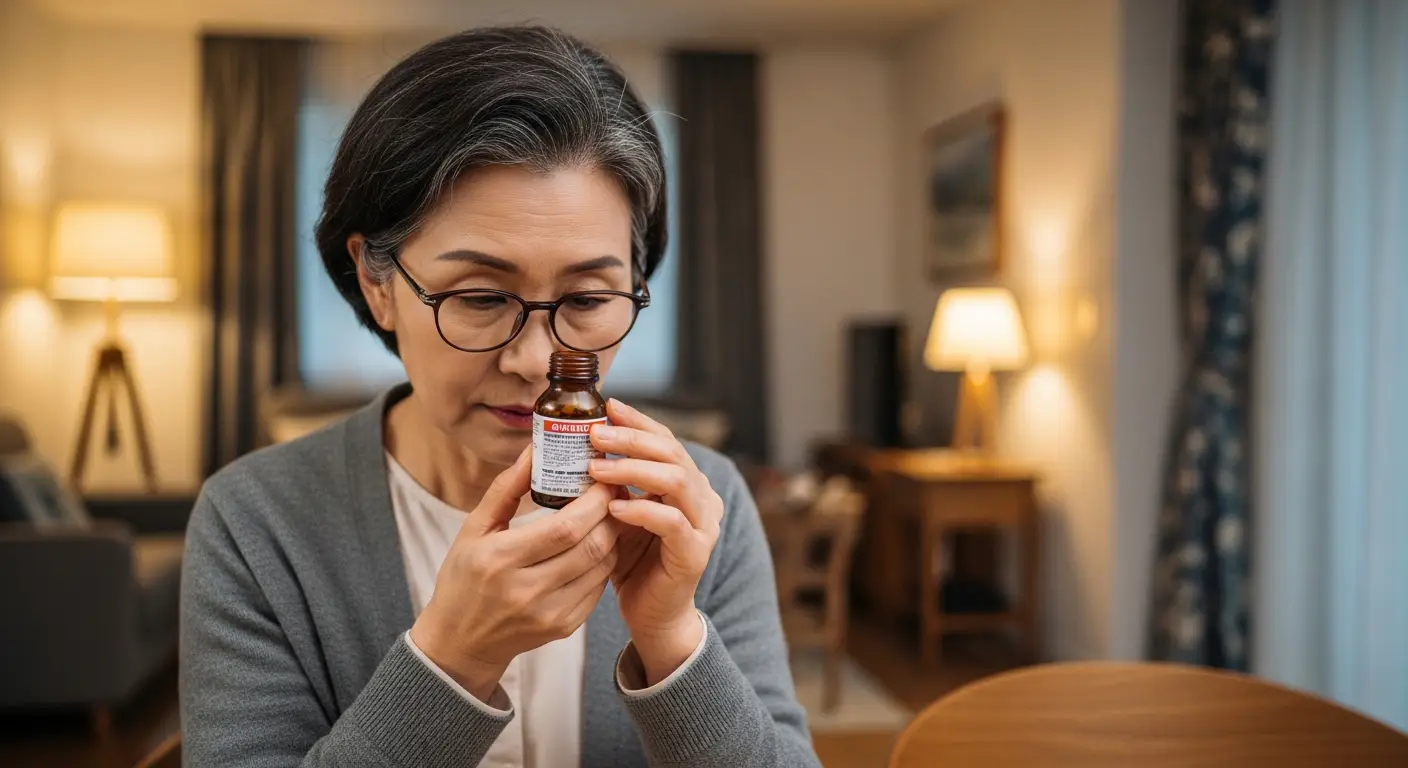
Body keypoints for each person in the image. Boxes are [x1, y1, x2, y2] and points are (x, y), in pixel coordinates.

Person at [179, 25, 819, 768]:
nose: (537, 361)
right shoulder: (256, 525)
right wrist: (451, 659)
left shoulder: (700, 507)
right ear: (377, 284)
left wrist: (672, 638)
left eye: (587, 296)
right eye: (481, 296)